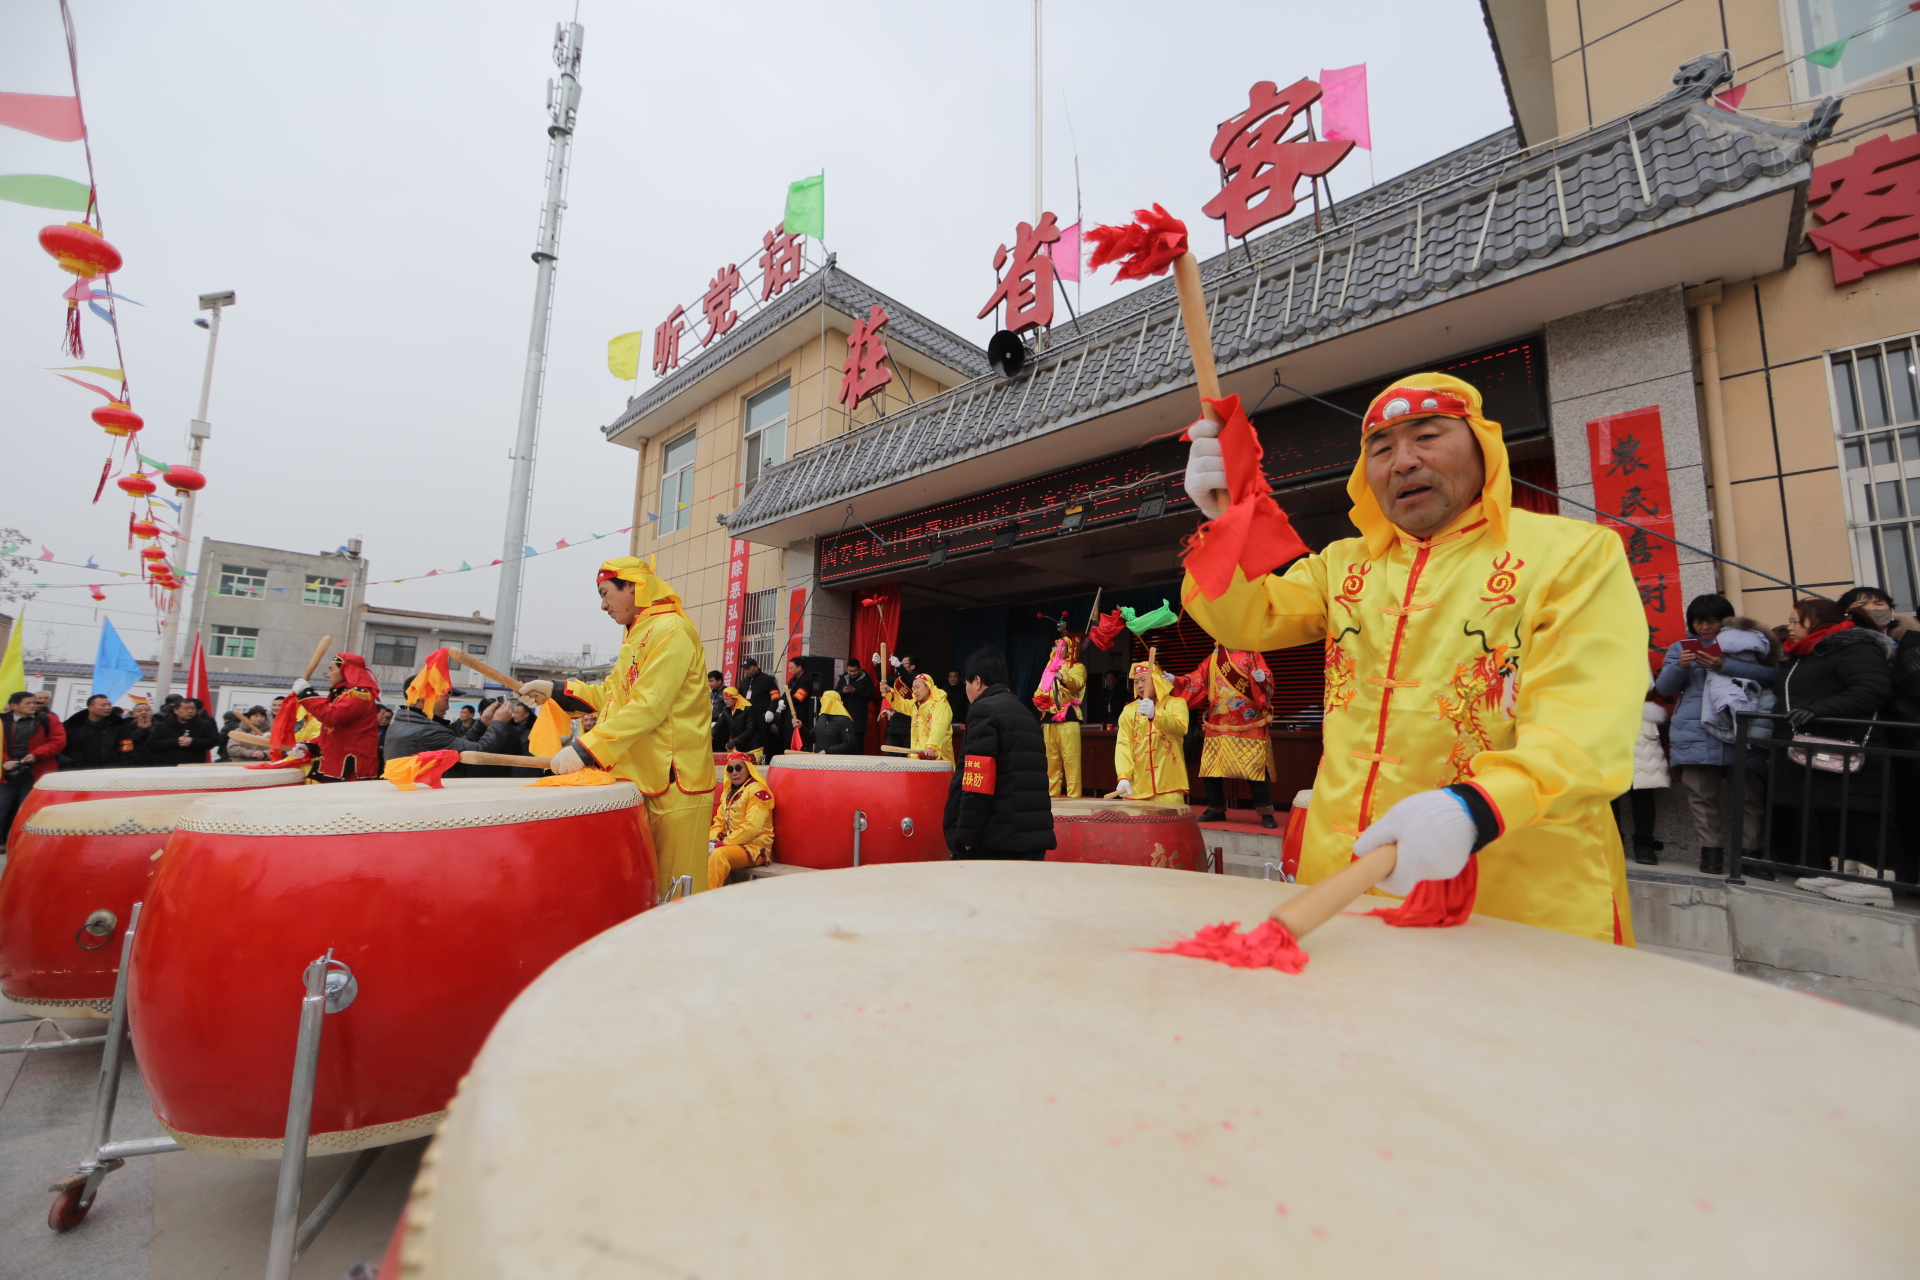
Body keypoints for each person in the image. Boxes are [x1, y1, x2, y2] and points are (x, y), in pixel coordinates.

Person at [1179, 371, 1645, 942]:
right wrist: (1222, 520)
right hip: (1347, 877)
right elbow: (1242, 617)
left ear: (1483, 448)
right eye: (1381, 448)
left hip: (1514, 884)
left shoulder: (1572, 556)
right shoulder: (1342, 566)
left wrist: (1479, 807)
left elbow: (1587, 721)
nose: (1402, 461)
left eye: (1426, 437)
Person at [522, 556, 716, 897]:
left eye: (605, 592)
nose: (602, 605)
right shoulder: (638, 635)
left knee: (676, 890)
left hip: (675, 782)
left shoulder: (670, 631)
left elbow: (649, 707)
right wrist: (555, 689)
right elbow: (612, 695)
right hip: (644, 775)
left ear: (633, 586)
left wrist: (585, 750)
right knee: (646, 887)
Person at [1771, 596, 1898, 902]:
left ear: (1815, 622)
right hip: (1818, 746)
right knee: (1829, 807)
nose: (1788, 627)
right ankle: (1844, 871)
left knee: (1861, 811)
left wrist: (1818, 710)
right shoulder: (1806, 652)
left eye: (1794, 621)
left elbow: (1871, 690)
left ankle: (1877, 879)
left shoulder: (1854, 647)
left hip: (1852, 745)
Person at [1655, 595, 1777, 875]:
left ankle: (1750, 855)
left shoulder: (1747, 643)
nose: (1705, 627)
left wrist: (1723, 665)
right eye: (1698, 621)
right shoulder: (1680, 648)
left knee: (1748, 795)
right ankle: (1710, 853)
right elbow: (1665, 688)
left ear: (1727, 619)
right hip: (1694, 729)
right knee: (1700, 795)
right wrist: (1681, 665)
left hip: (1740, 726)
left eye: (1712, 620)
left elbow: (1770, 675)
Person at [943, 646, 1055, 860]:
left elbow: (977, 782)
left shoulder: (983, 710)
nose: (966, 689)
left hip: (996, 840)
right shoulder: (1024, 712)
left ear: (977, 681)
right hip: (1032, 838)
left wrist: (965, 836)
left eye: (966, 682)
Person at [1186, 645, 1278, 827]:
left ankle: (1266, 812)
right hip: (1219, 722)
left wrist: (1263, 679)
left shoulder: (1252, 653)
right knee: (1211, 769)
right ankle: (1215, 809)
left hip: (1248, 721)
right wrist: (1176, 680)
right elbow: (1197, 679)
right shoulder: (1214, 656)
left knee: (1255, 769)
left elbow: (1265, 680)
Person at [1106, 659, 1189, 802]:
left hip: (1169, 785)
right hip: (1137, 786)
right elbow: (1124, 745)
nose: (1139, 685)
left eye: (1143, 680)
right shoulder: (1129, 710)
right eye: (1136, 682)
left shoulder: (1176, 703)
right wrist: (1123, 776)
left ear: (1156, 680)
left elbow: (1180, 728)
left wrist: (1155, 715)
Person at [291, 653, 382, 781]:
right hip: (337, 765)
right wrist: (310, 745)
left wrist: (307, 693)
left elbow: (331, 717)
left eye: (331, 669)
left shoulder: (358, 696)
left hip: (350, 769)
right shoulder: (344, 695)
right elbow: (335, 733)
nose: (328, 675)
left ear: (346, 670)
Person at [1, 689, 65, 842]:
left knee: (30, 809)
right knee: (2, 806)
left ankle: (24, 842)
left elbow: (58, 741)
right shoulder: (2, 721)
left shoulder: (48, 720)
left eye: (34, 703)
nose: (32, 706)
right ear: (13, 706)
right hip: (7, 771)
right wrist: (4, 761)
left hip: (37, 771)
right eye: (27, 703)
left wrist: (36, 754)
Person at [707, 751, 776, 889]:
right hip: (733, 845)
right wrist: (712, 840)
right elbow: (719, 821)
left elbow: (751, 827)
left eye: (739, 768)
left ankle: (707, 899)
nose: (734, 772)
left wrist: (722, 844)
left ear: (748, 769)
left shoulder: (758, 791)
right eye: (730, 769)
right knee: (700, 850)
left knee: (718, 855)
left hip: (754, 848)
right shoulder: (728, 792)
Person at [1032, 627, 1087, 797]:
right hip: (1049, 718)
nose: (1057, 649)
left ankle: (1074, 797)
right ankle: (1051, 796)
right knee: (1051, 761)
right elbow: (1040, 689)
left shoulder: (1077, 667)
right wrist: (1039, 702)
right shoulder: (1048, 668)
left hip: (1068, 716)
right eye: (1056, 646)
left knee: (1071, 760)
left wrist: (1062, 677)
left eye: (1061, 646)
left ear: (1069, 649)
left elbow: (1077, 684)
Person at [887, 671, 954, 764]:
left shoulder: (940, 704)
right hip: (918, 754)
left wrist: (931, 746)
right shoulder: (916, 705)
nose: (915, 691)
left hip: (935, 756)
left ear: (928, 686)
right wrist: (889, 693)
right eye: (913, 688)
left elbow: (939, 727)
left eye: (917, 687)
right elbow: (902, 705)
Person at [62, 694, 138, 770]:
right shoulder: (72, 725)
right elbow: (64, 749)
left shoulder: (119, 725)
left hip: (111, 770)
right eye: (103, 705)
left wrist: (122, 767)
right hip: (79, 771)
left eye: (109, 705)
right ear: (90, 708)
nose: (108, 708)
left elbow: (127, 749)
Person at [142, 696, 219, 768]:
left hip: (194, 766)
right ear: (175, 710)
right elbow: (152, 744)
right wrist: (175, 741)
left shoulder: (204, 724)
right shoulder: (162, 725)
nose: (190, 711)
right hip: (167, 766)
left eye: (193, 708)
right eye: (186, 709)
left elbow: (212, 741)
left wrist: (193, 741)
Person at [786, 658, 824, 750]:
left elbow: (798, 698)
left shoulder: (806, 680)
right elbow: (786, 693)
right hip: (788, 715)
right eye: (789, 668)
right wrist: (781, 701)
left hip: (800, 715)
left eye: (792, 668)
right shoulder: (792, 680)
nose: (789, 670)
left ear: (799, 667)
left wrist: (785, 701)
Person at [837, 659, 876, 750]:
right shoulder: (843, 678)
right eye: (849, 671)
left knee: (857, 745)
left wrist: (856, 691)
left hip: (858, 717)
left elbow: (871, 696)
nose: (852, 673)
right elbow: (835, 693)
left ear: (859, 669)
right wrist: (843, 691)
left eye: (854, 671)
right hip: (844, 715)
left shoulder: (866, 680)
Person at [813, 689, 860, 754]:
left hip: (836, 761)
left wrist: (827, 751)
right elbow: (812, 737)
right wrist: (801, 727)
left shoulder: (845, 720)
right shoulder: (822, 717)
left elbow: (849, 744)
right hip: (818, 760)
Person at [708, 671, 729, 751]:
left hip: (723, 725)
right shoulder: (711, 693)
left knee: (720, 748)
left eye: (711, 681)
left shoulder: (726, 692)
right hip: (711, 723)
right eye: (709, 681)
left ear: (719, 681)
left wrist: (720, 716)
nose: (709, 684)